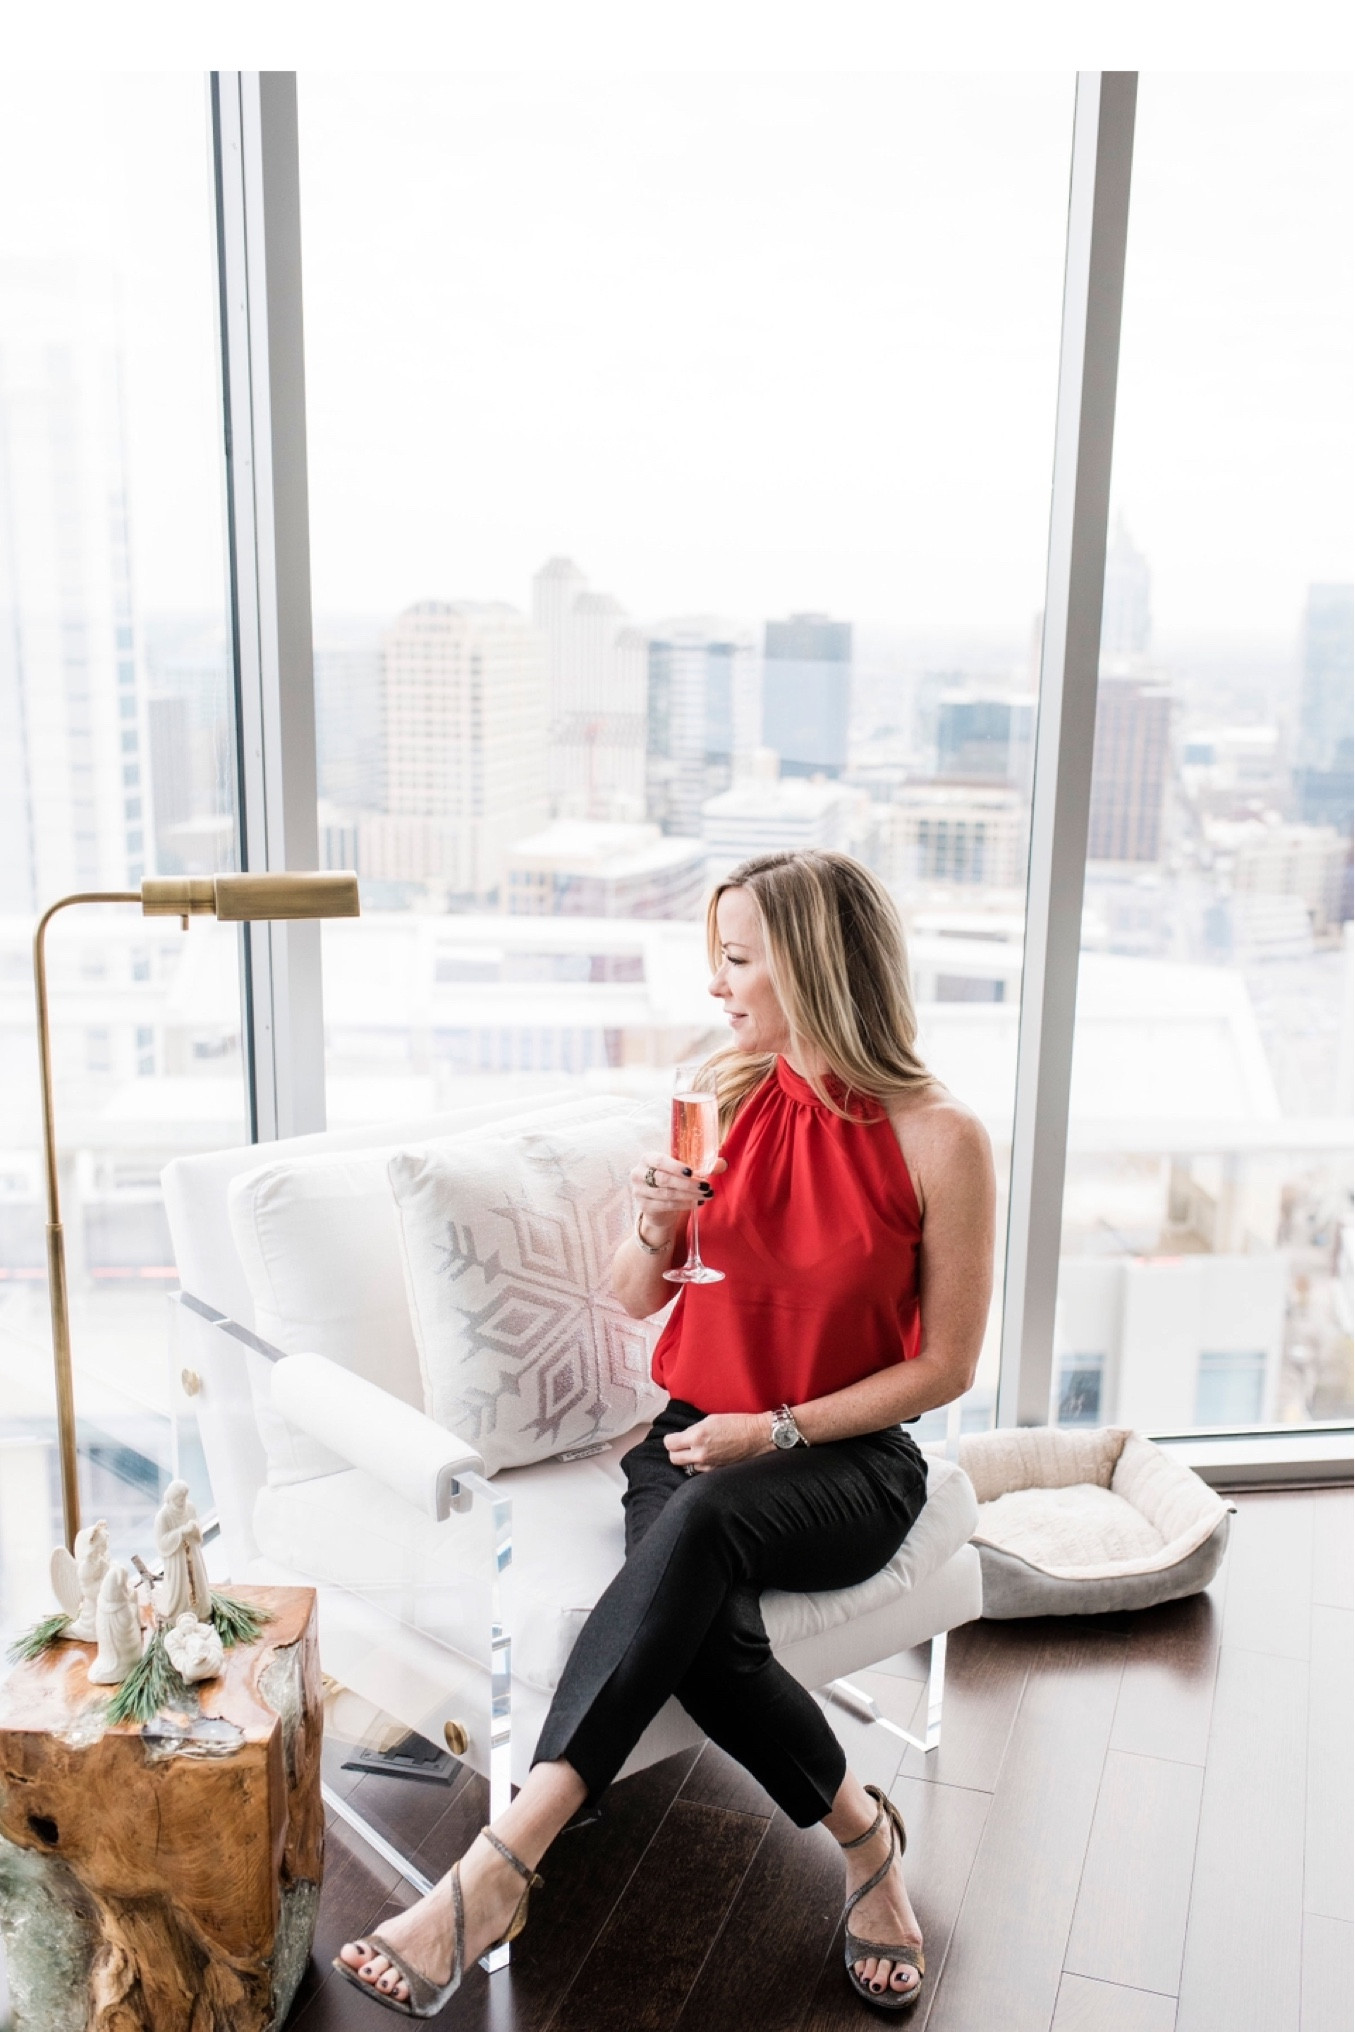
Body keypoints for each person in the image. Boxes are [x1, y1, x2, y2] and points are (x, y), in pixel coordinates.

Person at [337, 850, 995, 2018]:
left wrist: (774, 1430)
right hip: (691, 1440)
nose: (717, 988)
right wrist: (650, 1229)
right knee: (701, 1621)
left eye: (737, 961)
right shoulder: (725, 1096)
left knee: (693, 1536)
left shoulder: (941, 1138)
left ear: (814, 966)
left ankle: (501, 1861)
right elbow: (646, 1296)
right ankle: (865, 1840)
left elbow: (942, 1366)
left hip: (841, 1461)